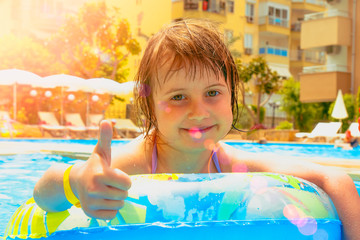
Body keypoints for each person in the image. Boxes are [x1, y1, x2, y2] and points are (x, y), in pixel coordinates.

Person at [33, 19, 360, 240]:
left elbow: (336, 179)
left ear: (232, 94)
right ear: (150, 105)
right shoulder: (134, 163)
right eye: (178, 97)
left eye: (213, 93)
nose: (198, 112)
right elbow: (43, 192)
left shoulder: (229, 162)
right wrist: (78, 181)